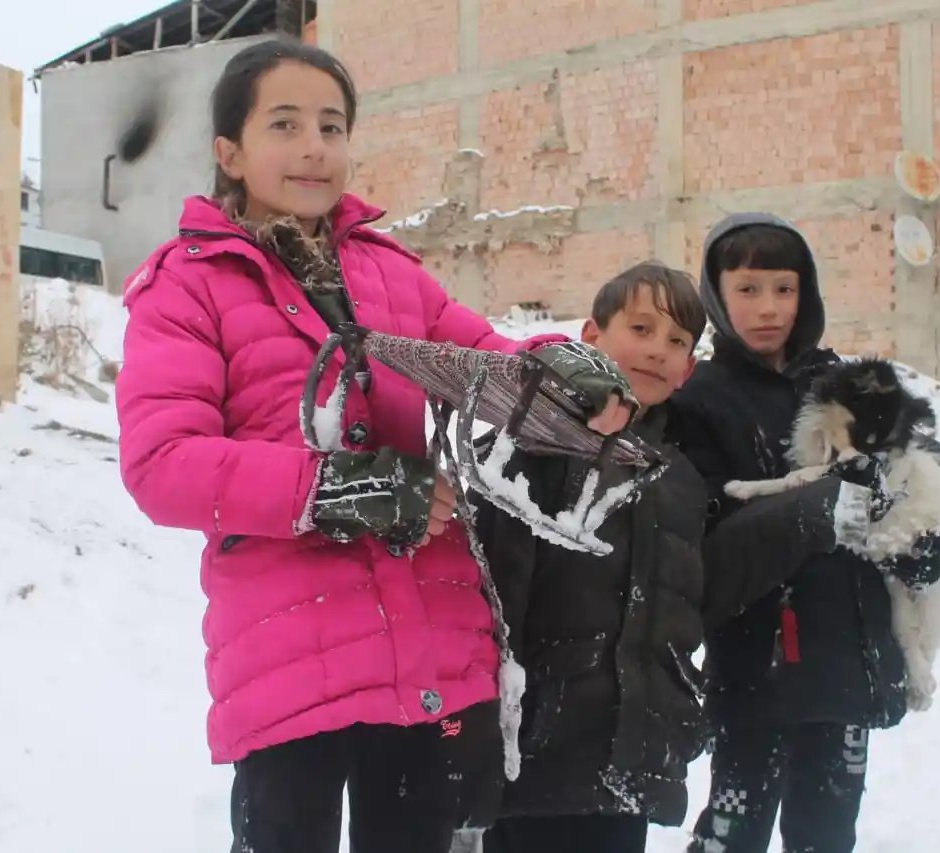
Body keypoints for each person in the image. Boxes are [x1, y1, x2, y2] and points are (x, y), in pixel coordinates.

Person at [113, 37, 635, 853]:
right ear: (230, 151)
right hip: (290, 657)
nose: (314, 146)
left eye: (332, 124)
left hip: (420, 653)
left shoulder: (389, 274)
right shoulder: (189, 284)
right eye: (283, 124)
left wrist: (563, 375)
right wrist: (342, 488)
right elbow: (163, 464)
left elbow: (481, 355)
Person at [469, 263, 851, 853]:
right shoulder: (532, 444)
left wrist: (802, 516)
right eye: (641, 329)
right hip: (534, 761)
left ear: (688, 371)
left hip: (631, 760)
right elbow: (485, 602)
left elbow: (697, 596)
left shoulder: (678, 478)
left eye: (677, 342)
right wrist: (471, 743)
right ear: (591, 337)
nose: (657, 351)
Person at [671, 214, 940, 853]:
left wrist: (934, 534)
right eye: (748, 289)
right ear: (717, 294)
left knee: (828, 835)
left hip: (847, 659)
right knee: (734, 834)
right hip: (757, 663)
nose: (768, 309)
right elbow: (709, 545)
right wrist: (816, 509)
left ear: (805, 294)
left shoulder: (850, 382)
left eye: (784, 289)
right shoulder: (699, 401)